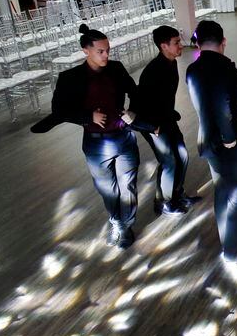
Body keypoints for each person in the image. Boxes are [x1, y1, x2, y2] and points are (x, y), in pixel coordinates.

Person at [31, 25, 151, 249]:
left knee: (128, 186)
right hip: (97, 143)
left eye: (108, 50)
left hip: (123, 136)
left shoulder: (116, 68)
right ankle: (117, 222)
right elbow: (59, 109)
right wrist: (88, 116)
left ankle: (125, 225)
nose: (107, 55)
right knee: (108, 189)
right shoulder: (70, 78)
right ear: (86, 50)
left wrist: (132, 111)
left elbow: (134, 92)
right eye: (101, 51)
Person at [186, 21, 237, 264]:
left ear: (198, 44)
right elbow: (223, 107)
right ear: (224, 42)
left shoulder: (193, 69)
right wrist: (231, 139)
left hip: (207, 140)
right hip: (229, 144)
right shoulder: (226, 70)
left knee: (222, 191)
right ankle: (233, 249)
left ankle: (232, 240)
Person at [135, 26, 200, 216]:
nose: (181, 45)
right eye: (177, 43)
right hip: (153, 125)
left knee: (182, 157)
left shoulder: (170, 63)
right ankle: (165, 202)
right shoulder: (153, 71)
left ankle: (176, 194)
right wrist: (152, 127)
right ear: (164, 46)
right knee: (169, 162)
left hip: (166, 120)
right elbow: (140, 105)